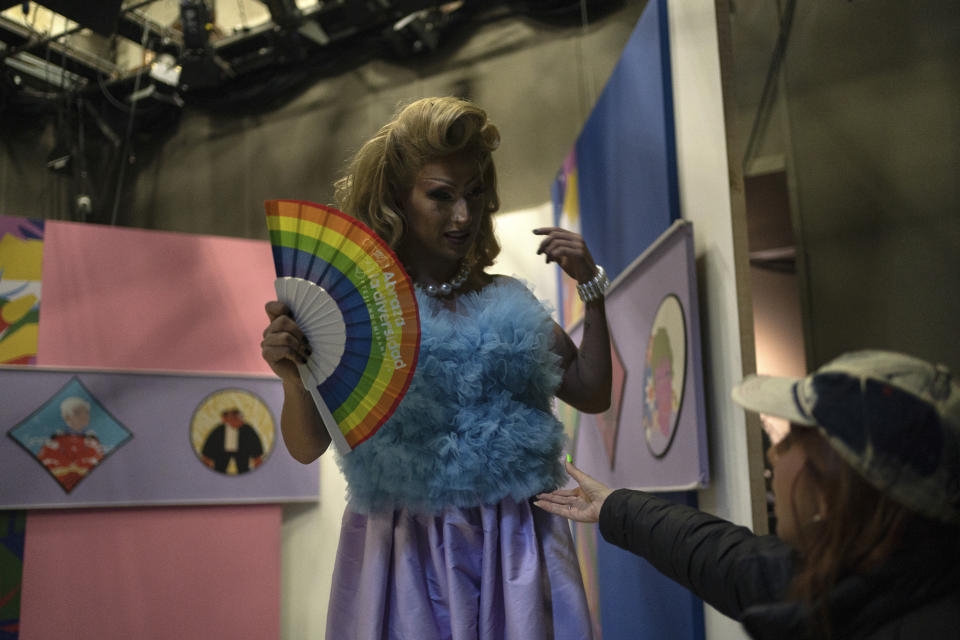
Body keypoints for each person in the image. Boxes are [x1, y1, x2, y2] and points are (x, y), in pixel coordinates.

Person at [260, 96, 613, 639]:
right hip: (402, 545)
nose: (464, 216)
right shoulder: (355, 315)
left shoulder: (511, 303)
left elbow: (591, 392)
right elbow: (307, 446)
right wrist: (291, 378)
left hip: (516, 536)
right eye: (441, 196)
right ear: (397, 199)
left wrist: (591, 292)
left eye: (474, 194)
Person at [536, 350, 960, 639]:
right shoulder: (849, 579)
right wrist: (614, 506)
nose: (775, 455)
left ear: (837, 489)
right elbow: (728, 559)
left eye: (793, 440)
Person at [37, 396, 104, 492]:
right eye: (79, 413)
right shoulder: (54, 441)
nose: (85, 416)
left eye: (87, 413)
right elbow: (45, 467)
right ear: (67, 417)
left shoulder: (93, 441)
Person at [200, 407, 265, 474]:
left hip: (241, 452)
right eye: (234, 419)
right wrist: (207, 460)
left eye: (240, 419)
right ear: (227, 420)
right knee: (219, 468)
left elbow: (255, 443)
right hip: (222, 452)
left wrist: (257, 459)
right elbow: (211, 444)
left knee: (243, 469)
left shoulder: (247, 429)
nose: (239, 422)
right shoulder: (219, 430)